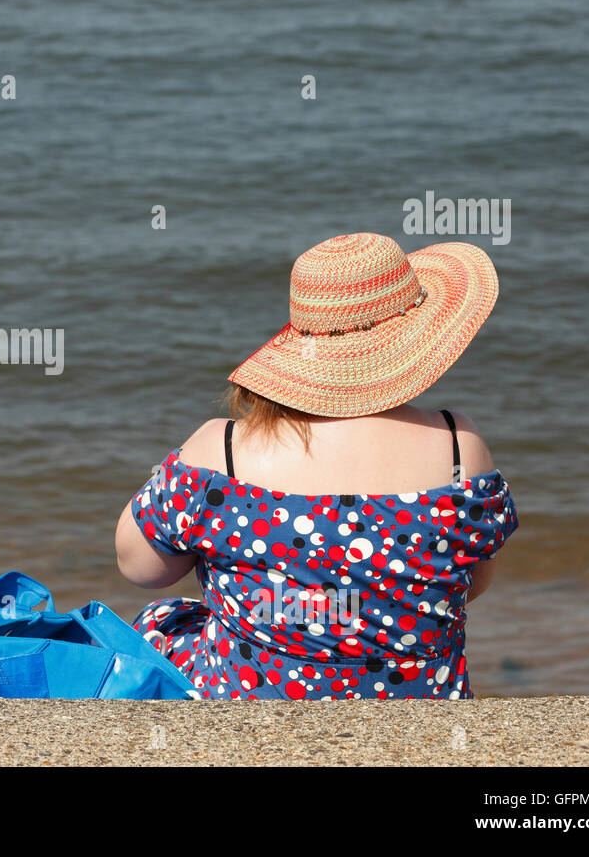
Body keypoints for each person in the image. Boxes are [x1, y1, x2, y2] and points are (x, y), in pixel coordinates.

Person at [115, 233, 517, 700]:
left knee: (162, 621)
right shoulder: (456, 445)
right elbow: (471, 584)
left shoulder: (221, 449)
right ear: (419, 339)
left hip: (247, 708)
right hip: (420, 708)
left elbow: (141, 569)